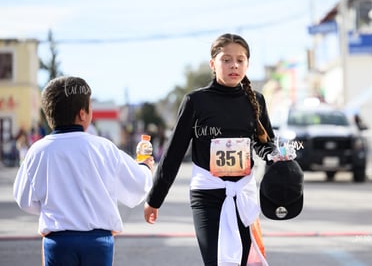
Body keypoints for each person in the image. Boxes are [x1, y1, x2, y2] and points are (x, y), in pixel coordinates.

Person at [144, 33, 295, 266]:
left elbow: (264, 143)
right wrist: (154, 199)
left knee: (242, 261)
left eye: (240, 59)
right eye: (226, 59)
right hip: (207, 196)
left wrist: (276, 158)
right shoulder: (195, 101)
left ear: (247, 64)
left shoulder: (257, 100)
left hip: (243, 195)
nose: (234, 65)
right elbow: (173, 154)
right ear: (213, 64)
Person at [13, 76, 154, 266]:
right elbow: (137, 185)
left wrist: (51, 209)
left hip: (58, 240)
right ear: (82, 114)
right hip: (98, 241)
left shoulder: (38, 150)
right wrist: (145, 166)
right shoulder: (103, 147)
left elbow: (24, 199)